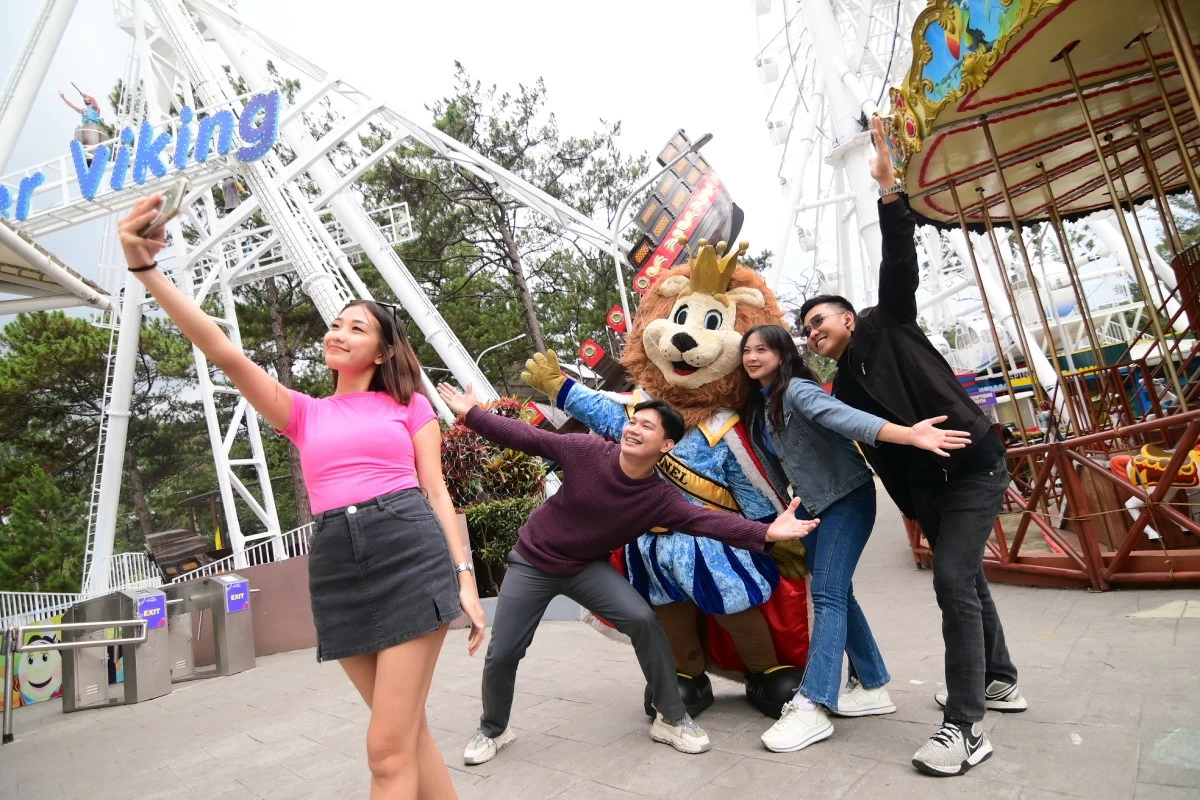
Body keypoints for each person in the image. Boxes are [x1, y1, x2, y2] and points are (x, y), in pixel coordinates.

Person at [118, 195, 485, 800]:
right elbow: (223, 350)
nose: (338, 332)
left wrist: (464, 579)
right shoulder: (304, 413)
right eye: (336, 324)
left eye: (357, 327)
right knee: (406, 737)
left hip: (407, 549)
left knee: (385, 750)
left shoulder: (410, 406)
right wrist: (146, 270)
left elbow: (438, 493)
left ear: (383, 351)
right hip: (337, 565)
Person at [798, 115, 1026, 778]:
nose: (812, 333)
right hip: (928, 491)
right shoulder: (840, 387)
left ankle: (966, 728)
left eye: (819, 321)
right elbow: (865, 444)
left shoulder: (888, 320)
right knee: (968, 580)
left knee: (953, 581)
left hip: (972, 465)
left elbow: (899, 258)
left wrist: (888, 187)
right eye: (805, 330)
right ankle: (999, 679)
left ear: (848, 317)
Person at [434, 381, 820, 764]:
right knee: (504, 652)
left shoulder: (659, 498)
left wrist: (767, 533)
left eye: (647, 426)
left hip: (586, 567)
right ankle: (494, 729)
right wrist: (474, 414)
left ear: (666, 445)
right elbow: (528, 438)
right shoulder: (586, 451)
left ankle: (671, 719)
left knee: (644, 621)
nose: (633, 429)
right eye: (633, 422)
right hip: (534, 560)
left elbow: (706, 522)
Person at [739, 325, 971, 753]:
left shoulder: (798, 391)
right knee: (838, 593)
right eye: (747, 350)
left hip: (846, 498)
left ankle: (813, 704)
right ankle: (871, 683)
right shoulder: (759, 406)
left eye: (762, 349)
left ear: (782, 353)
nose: (752, 357)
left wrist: (909, 434)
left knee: (827, 595)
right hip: (808, 507)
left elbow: (845, 418)